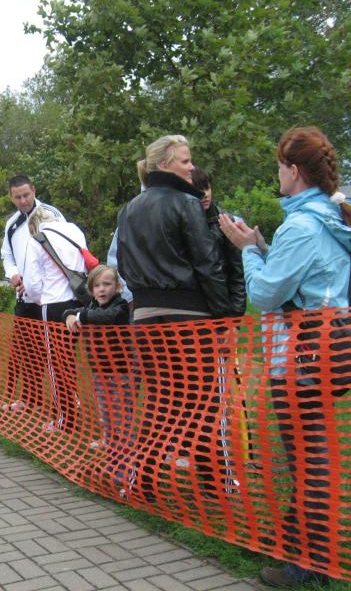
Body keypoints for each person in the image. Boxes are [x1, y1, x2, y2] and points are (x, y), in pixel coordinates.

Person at [219, 126, 351, 588]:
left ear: (294, 170)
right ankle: (293, 542)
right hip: (331, 352)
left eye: (280, 167)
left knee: (309, 462)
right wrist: (265, 248)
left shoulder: (302, 226)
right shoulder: (330, 219)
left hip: (298, 360)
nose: (278, 175)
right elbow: (302, 279)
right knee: (312, 456)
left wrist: (249, 252)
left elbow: (267, 293)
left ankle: (310, 561)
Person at [116, 134, 231, 503]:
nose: (191, 167)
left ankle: (145, 480)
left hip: (145, 315)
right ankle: (212, 482)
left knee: (158, 399)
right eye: (185, 160)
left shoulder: (128, 209)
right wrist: (224, 313)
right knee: (203, 399)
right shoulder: (187, 203)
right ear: (164, 165)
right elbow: (207, 263)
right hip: (189, 314)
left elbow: (124, 265)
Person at [0, 175, 64, 411]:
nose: (23, 200)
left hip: (51, 297)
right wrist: (14, 274)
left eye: (26, 195)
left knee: (56, 353)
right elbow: (7, 255)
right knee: (27, 352)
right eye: (17, 197)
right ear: (11, 197)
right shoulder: (12, 223)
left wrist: (35, 281)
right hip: (24, 298)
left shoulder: (50, 215)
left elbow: (61, 252)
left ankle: (66, 402)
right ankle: (31, 399)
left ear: (34, 190)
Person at [23, 207, 87, 432]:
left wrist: (40, 299)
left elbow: (32, 284)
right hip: (79, 300)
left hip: (54, 303)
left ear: (34, 225)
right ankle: (73, 403)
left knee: (56, 363)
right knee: (69, 359)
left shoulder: (37, 239)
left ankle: (64, 419)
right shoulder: (75, 230)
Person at [62, 265, 130, 451]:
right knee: (104, 409)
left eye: (107, 284)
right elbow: (71, 312)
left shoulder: (121, 306)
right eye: (97, 285)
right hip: (99, 369)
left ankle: (124, 445)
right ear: (91, 290)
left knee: (121, 410)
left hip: (121, 370)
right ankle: (108, 439)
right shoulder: (91, 306)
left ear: (117, 286)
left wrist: (81, 316)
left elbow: (107, 317)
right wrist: (69, 316)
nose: (102, 289)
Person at [193, 167, 246, 317]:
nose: (205, 194)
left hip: (224, 307)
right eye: (198, 190)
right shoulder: (182, 223)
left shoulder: (225, 222)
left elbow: (237, 272)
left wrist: (236, 315)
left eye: (207, 188)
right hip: (193, 308)